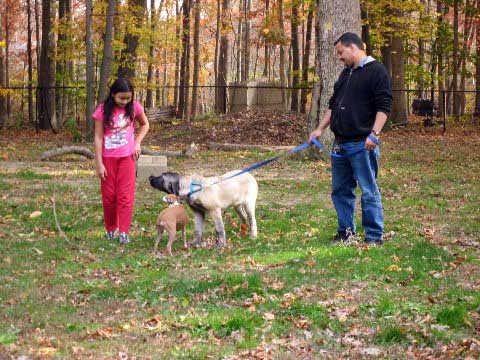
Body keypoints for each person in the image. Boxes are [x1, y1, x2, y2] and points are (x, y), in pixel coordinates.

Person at [309, 32, 392, 246]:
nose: (339, 57)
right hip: (340, 144)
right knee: (340, 190)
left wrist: (375, 134)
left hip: (362, 144)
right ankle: (346, 232)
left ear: (353, 47)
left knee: (368, 189)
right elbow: (332, 106)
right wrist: (319, 130)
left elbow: (384, 107)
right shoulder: (346, 74)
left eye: (340, 52)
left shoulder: (377, 71)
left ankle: (374, 236)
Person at [93, 78, 150, 244]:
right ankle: (111, 229)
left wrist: (137, 142)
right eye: (121, 98)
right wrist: (99, 164)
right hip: (108, 159)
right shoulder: (102, 110)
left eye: (128, 98)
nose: (125, 101)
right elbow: (97, 137)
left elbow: (145, 124)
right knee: (109, 196)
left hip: (127, 158)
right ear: (113, 95)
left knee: (125, 196)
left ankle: (124, 231)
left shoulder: (135, 107)